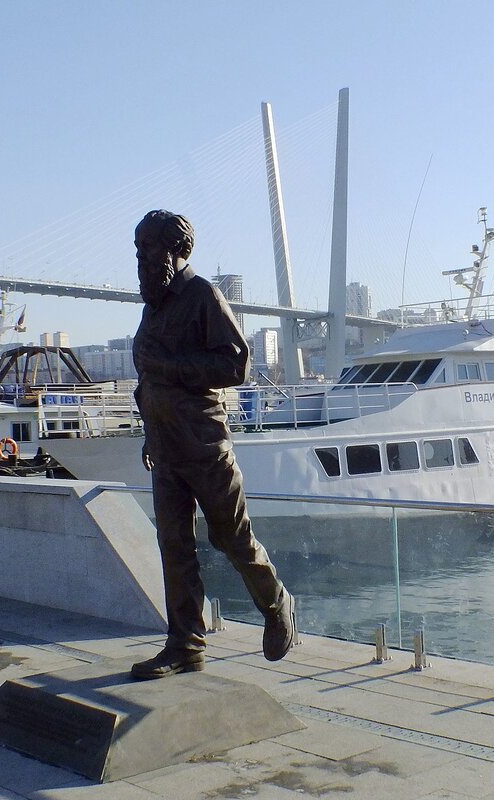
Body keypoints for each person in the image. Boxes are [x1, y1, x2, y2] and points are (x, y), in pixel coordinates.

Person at [128, 209, 297, 680]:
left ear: (174, 250)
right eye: (138, 250)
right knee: (174, 546)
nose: (141, 259)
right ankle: (185, 645)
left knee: (230, 537)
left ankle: (276, 602)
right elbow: (149, 378)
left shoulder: (202, 295)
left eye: (148, 249)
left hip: (204, 445)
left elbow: (235, 364)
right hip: (166, 448)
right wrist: (150, 430)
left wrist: (169, 366)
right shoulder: (153, 306)